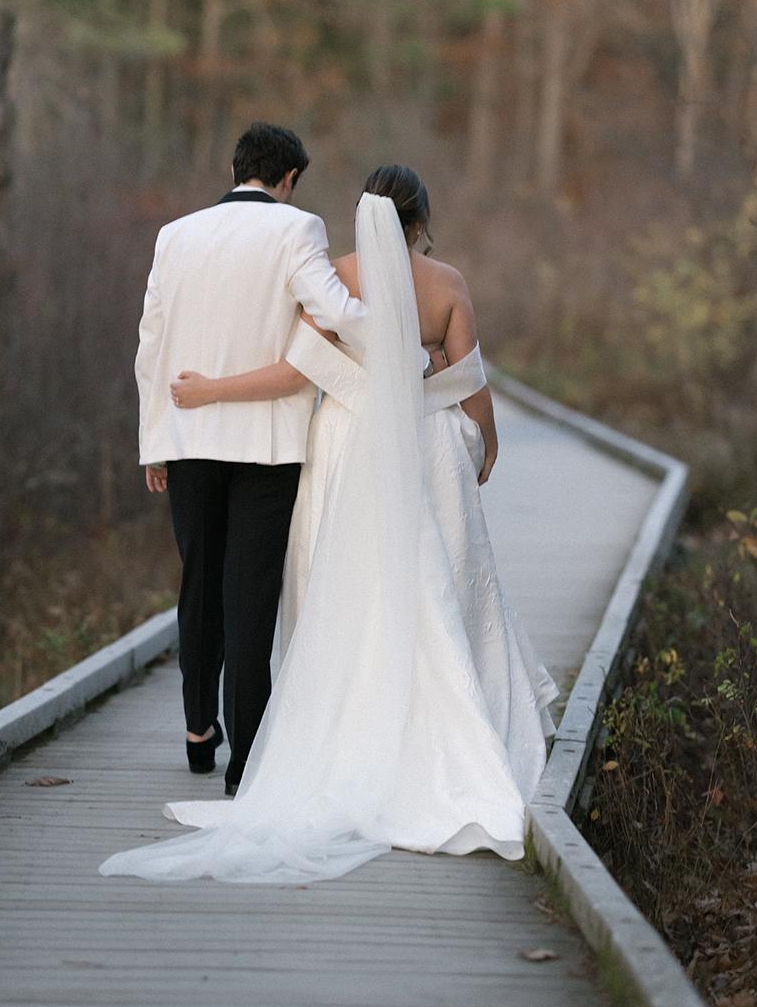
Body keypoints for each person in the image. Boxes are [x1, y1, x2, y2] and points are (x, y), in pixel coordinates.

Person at [99, 166, 556, 886]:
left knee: (347, 587)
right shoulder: (447, 282)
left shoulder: (336, 278)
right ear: (420, 219)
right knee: (434, 579)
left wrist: (206, 390)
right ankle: (448, 724)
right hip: (425, 444)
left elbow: (294, 373)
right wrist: (488, 441)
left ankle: (343, 732)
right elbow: (468, 380)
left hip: (344, 450)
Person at [133, 122, 366, 796]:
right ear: (288, 178)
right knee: (251, 595)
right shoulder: (298, 230)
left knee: (198, 582)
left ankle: (198, 730)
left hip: (186, 436)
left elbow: (150, 341)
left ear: (236, 167)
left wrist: (154, 440)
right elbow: (337, 310)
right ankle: (246, 762)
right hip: (264, 446)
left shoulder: (174, 235)